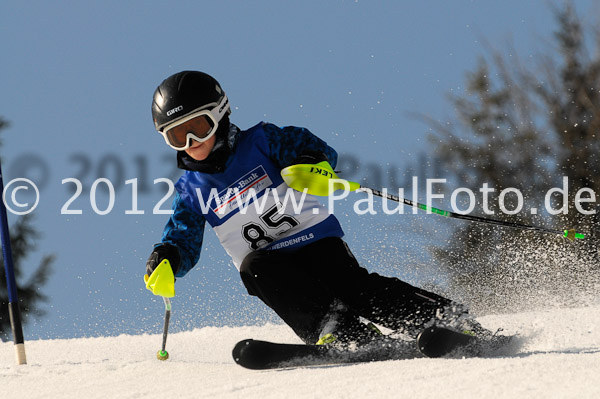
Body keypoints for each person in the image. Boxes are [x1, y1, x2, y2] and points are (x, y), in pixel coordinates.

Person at [145, 70, 482, 347]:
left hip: (314, 241)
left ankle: (445, 318)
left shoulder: (262, 141)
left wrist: (308, 164)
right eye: (177, 136)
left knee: (351, 286)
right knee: (254, 269)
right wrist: (167, 258)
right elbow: (182, 238)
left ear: (219, 115)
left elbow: (315, 149)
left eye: (197, 128)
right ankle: (342, 331)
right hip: (271, 263)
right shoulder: (191, 191)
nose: (192, 143)